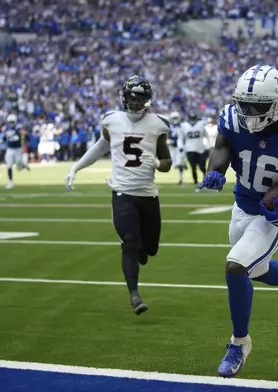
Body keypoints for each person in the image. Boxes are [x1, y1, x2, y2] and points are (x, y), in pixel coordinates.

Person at [200, 64, 278, 378]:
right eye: (243, 104)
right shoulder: (231, 120)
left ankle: (239, 343)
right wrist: (215, 171)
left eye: (256, 106)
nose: (247, 111)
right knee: (254, 270)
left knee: (236, 266)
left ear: (277, 106)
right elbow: (222, 149)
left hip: (271, 213)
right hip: (241, 207)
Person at [64, 75, 172, 315]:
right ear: (124, 99)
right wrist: (76, 167)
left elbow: (167, 162)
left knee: (150, 249)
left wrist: (155, 162)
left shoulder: (158, 124)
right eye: (132, 99)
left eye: (140, 99)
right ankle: (134, 295)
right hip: (122, 193)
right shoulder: (111, 121)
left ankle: (141, 252)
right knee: (129, 242)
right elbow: (100, 147)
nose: (135, 104)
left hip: (148, 195)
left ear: (148, 100)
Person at [182, 111, 209, 190]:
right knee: (193, 167)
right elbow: (181, 138)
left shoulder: (201, 124)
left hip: (200, 148)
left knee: (202, 167)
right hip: (189, 149)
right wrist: (181, 147)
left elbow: (206, 136)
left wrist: (207, 145)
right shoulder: (184, 126)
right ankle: (196, 183)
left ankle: (205, 181)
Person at [2, 114, 28, 189]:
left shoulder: (18, 127)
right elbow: (4, 138)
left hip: (18, 149)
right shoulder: (6, 128)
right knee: (9, 165)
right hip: (10, 149)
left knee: (19, 167)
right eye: (10, 122)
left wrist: (21, 133)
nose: (11, 123)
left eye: (12, 122)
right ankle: (10, 182)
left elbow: (24, 134)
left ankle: (22, 165)